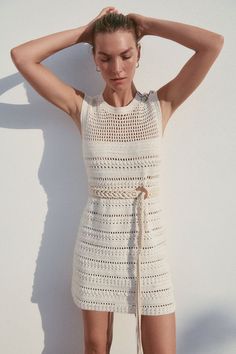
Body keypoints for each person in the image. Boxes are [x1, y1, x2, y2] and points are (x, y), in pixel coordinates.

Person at [10, 6, 224, 354]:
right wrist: (85, 31)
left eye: (126, 55)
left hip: (147, 243)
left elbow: (212, 44)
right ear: (94, 59)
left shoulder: (160, 105)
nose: (117, 68)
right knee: (96, 348)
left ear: (139, 54)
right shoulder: (84, 108)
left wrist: (149, 25)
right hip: (96, 242)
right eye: (105, 57)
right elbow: (22, 56)